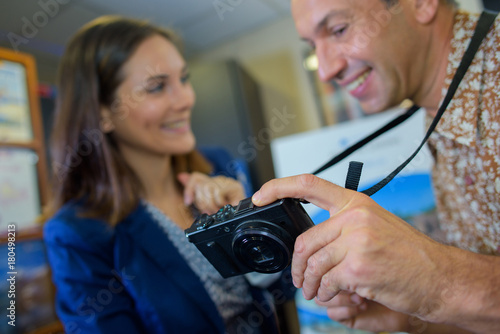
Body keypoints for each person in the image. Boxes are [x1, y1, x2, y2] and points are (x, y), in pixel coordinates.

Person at [251, 0, 500, 333]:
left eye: (339, 30)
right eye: (313, 46)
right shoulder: (437, 115)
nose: (325, 70)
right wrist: (412, 315)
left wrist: (437, 281)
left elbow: (447, 286)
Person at [43, 16, 294, 334]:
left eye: (184, 79)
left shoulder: (217, 166)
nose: (186, 99)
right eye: (157, 86)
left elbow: (286, 287)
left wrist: (247, 226)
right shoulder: (77, 233)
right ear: (103, 113)